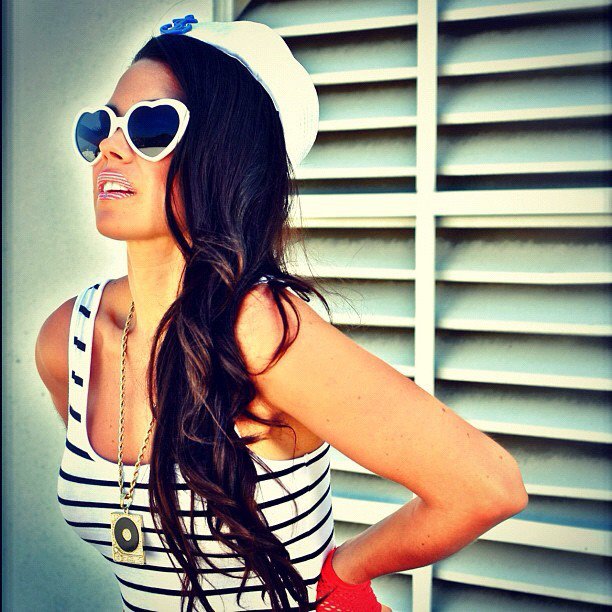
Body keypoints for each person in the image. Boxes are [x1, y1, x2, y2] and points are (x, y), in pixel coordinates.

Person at [34, 3, 528, 611]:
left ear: (226, 154)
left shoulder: (258, 331)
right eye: (100, 126)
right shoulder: (69, 338)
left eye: (151, 127)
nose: (110, 148)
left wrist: (343, 574)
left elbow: (486, 485)